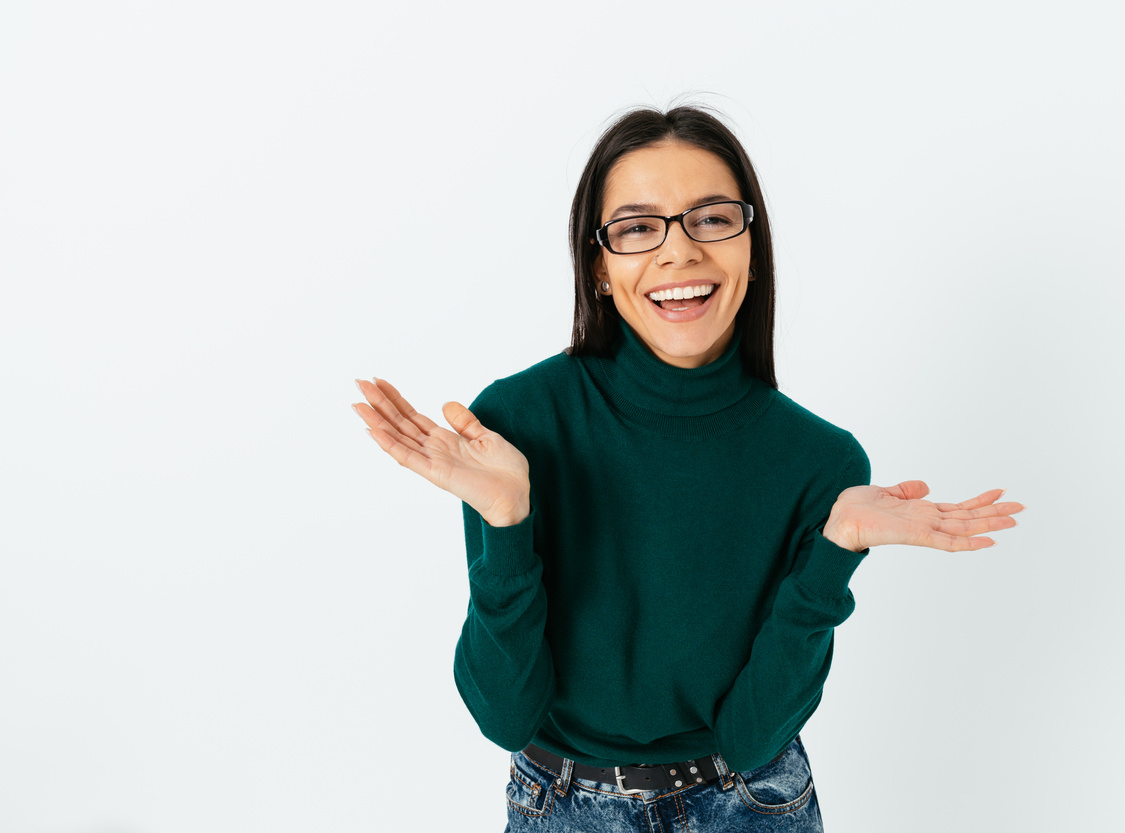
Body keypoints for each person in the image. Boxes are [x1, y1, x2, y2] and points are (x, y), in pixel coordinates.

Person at [351, 104, 1023, 832]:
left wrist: (836, 550)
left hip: (751, 806)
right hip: (560, 808)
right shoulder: (515, 426)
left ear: (751, 247)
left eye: (710, 218)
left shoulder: (820, 461)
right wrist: (507, 520)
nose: (679, 253)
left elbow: (749, 736)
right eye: (639, 227)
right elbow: (505, 715)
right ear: (599, 266)